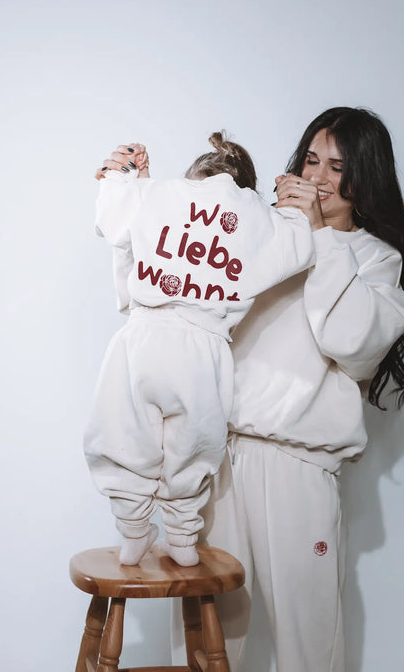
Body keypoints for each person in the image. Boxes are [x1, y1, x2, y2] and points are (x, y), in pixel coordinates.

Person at [97, 107, 404, 671]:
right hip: (217, 456)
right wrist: (137, 196)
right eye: (311, 160)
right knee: (204, 637)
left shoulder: (374, 257)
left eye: (337, 167)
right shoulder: (260, 231)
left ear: (365, 178)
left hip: (299, 464)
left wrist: (318, 235)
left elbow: (352, 342)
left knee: (310, 642)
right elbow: (169, 288)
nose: (317, 177)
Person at [86, 133, 314, 567]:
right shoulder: (255, 218)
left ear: (193, 178)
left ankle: (133, 530)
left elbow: (114, 220)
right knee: (194, 445)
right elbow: (297, 247)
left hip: (143, 338)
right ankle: (182, 535)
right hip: (205, 352)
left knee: (122, 434)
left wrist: (124, 179)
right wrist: (291, 211)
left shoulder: (163, 194)